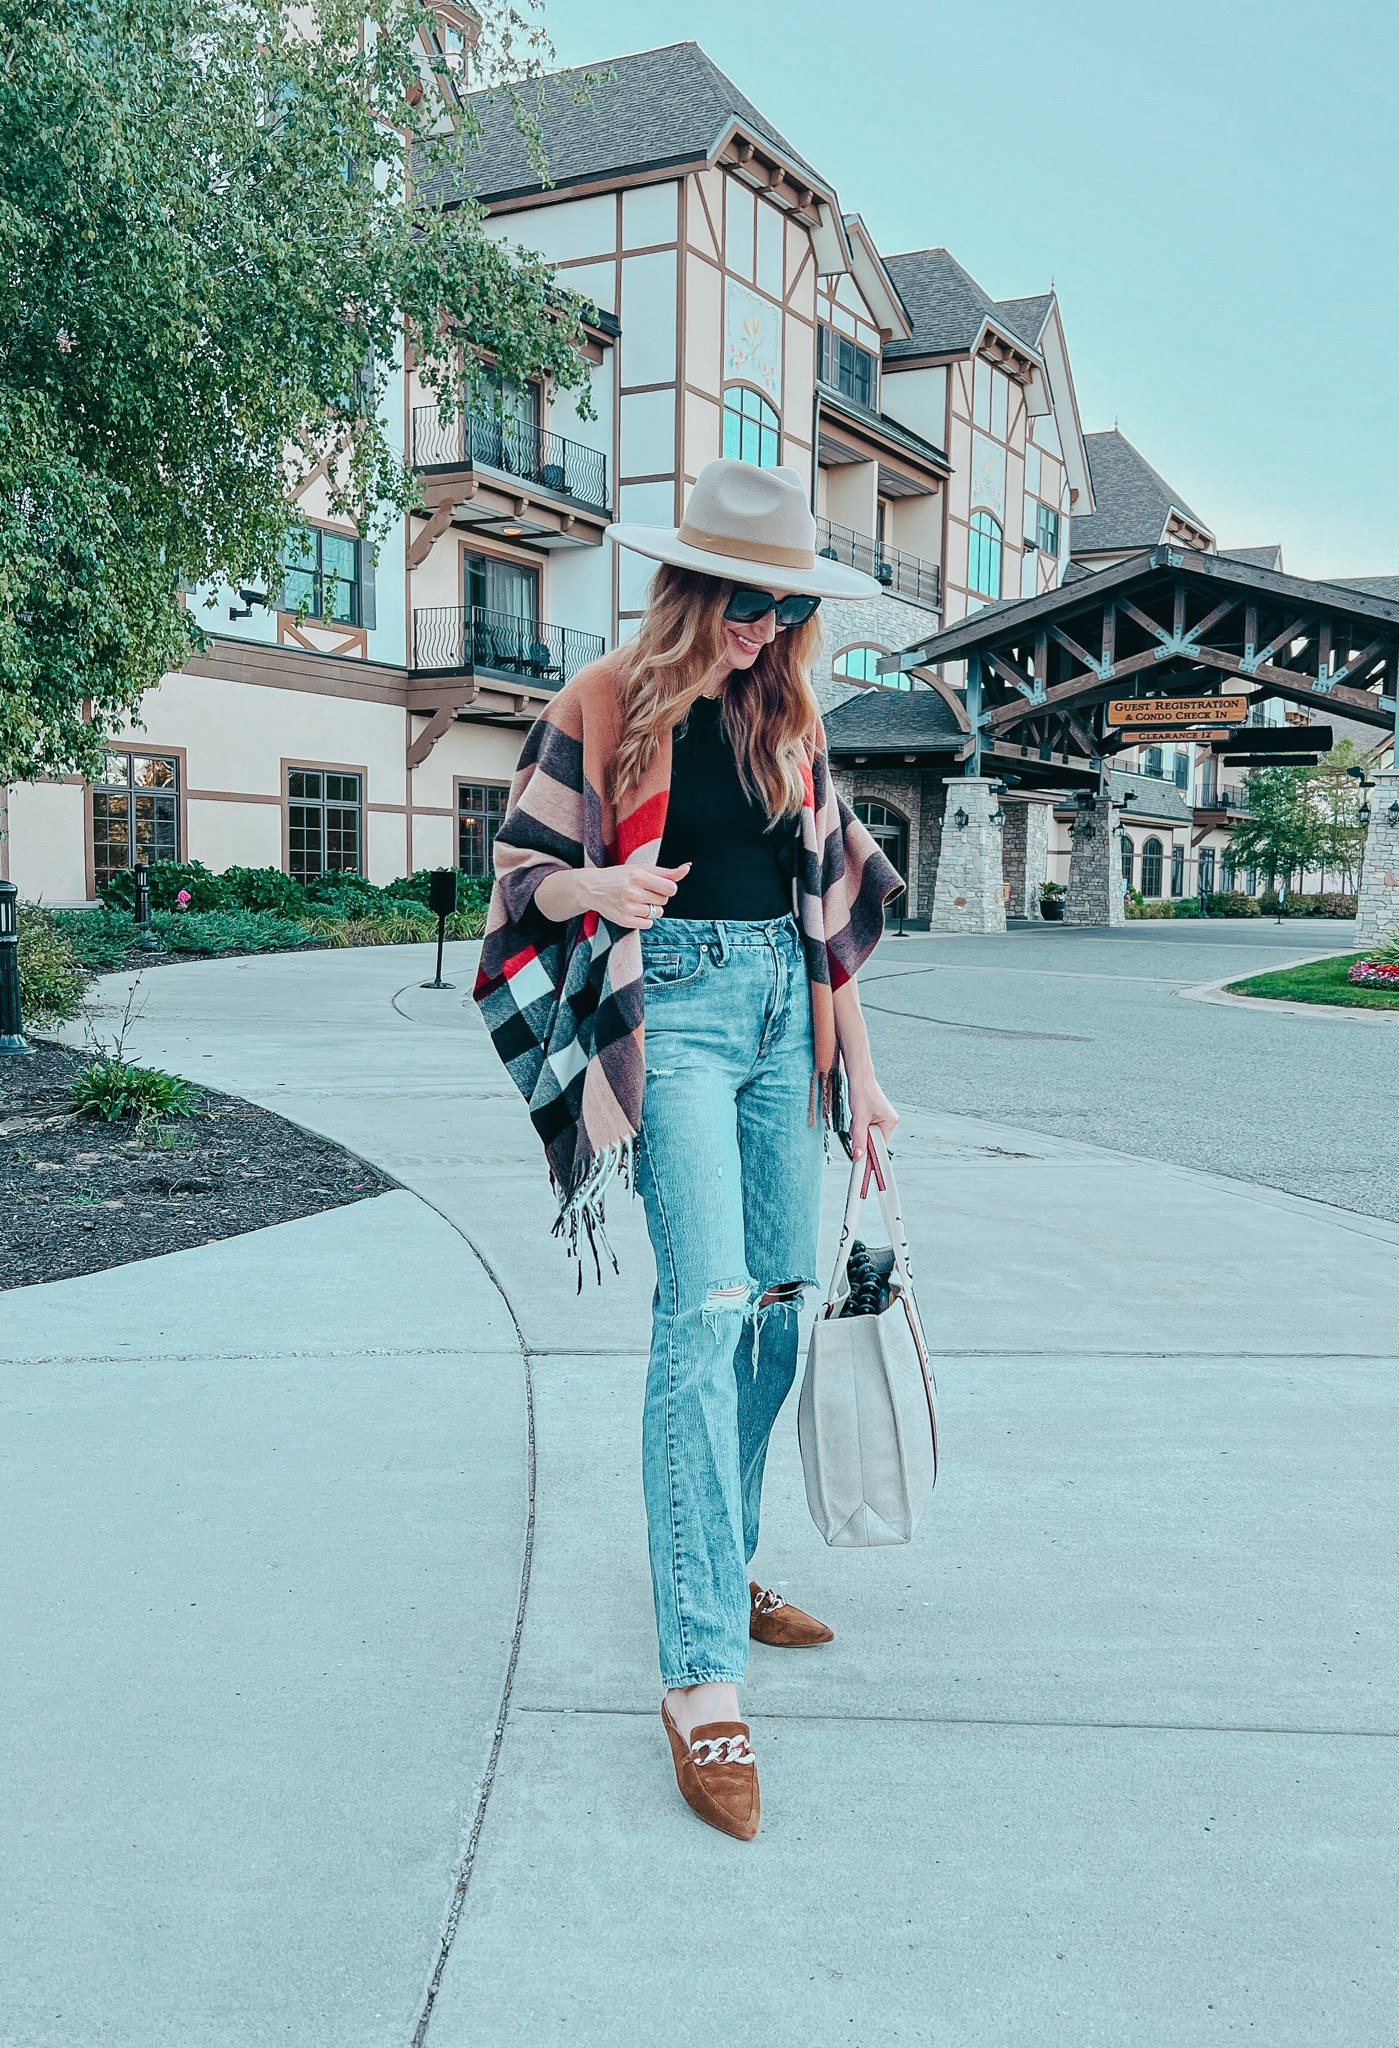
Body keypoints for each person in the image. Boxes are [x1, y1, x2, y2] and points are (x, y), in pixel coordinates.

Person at [475, 460, 902, 1840]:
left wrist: (866, 1077)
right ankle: (700, 1671)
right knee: (703, 1314)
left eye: (784, 601)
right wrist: (600, 885)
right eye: (742, 594)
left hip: (787, 1015)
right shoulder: (608, 700)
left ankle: (727, 1553)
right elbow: (519, 877)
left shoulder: (792, 713)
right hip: (684, 1016)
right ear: (692, 581)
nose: (761, 622)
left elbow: (827, 908)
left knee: (777, 1315)